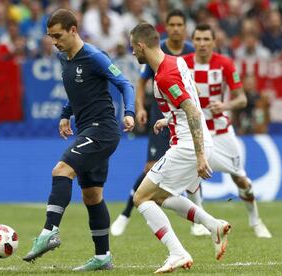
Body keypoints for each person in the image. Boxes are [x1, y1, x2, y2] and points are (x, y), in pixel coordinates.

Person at [22, 9, 135, 271]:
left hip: (102, 130)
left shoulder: (95, 56)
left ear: (74, 30)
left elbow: (125, 83)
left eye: (58, 35)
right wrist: (65, 115)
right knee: (92, 196)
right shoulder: (64, 58)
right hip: (87, 129)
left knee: (61, 171)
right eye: (50, 36)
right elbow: (76, 91)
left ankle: (49, 231)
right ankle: (103, 256)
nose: (54, 41)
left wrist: (128, 112)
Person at [130, 22, 231, 273]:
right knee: (163, 197)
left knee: (141, 197)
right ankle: (212, 224)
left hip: (187, 147)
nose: (133, 53)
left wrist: (199, 157)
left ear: (142, 45)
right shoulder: (177, 62)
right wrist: (170, 118)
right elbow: (191, 96)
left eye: (133, 48)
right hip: (192, 141)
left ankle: (177, 252)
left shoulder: (165, 76)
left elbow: (193, 111)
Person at [111, 9, 208, 237]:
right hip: (162, 117)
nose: (175, 28)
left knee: (190, 173)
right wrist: (140, 107)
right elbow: (142, 80)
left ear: (184, 28)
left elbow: (189, 88)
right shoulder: (158, 49)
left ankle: (200, 223)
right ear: (167, 27)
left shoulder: (188, 53)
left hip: (182, 118)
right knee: (150, 169)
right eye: (171, 24)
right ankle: (125, 214)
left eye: (179, 25)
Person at [183, 23, 272, 238]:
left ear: (214, 42)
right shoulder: (183, 64)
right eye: (198, 39)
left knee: (240, 179)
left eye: (206, 39)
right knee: (190, 174)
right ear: (193, 42)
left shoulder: (225, 64)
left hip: (221, 131)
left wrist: (225, 106)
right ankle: (199, 222)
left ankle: (255, 220)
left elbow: (241, 98)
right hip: (196, 131)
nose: (202, 43)